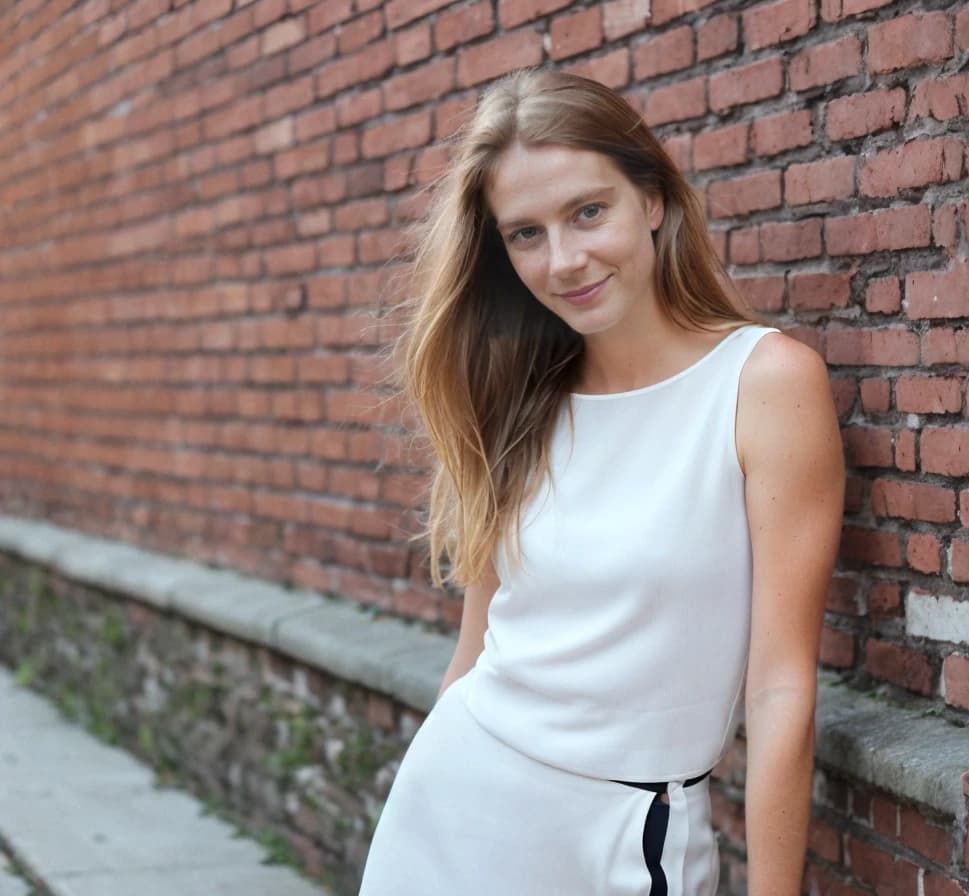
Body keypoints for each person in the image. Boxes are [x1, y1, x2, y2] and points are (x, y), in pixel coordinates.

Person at [358, 68, 844, 896]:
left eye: (589, 212)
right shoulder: (520, 400)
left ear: (651, 199)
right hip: (451, 814)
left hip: (624, 836)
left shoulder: (764, 384)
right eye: (526, 234)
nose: (565, 260)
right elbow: (474, 653)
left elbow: (780, 684)